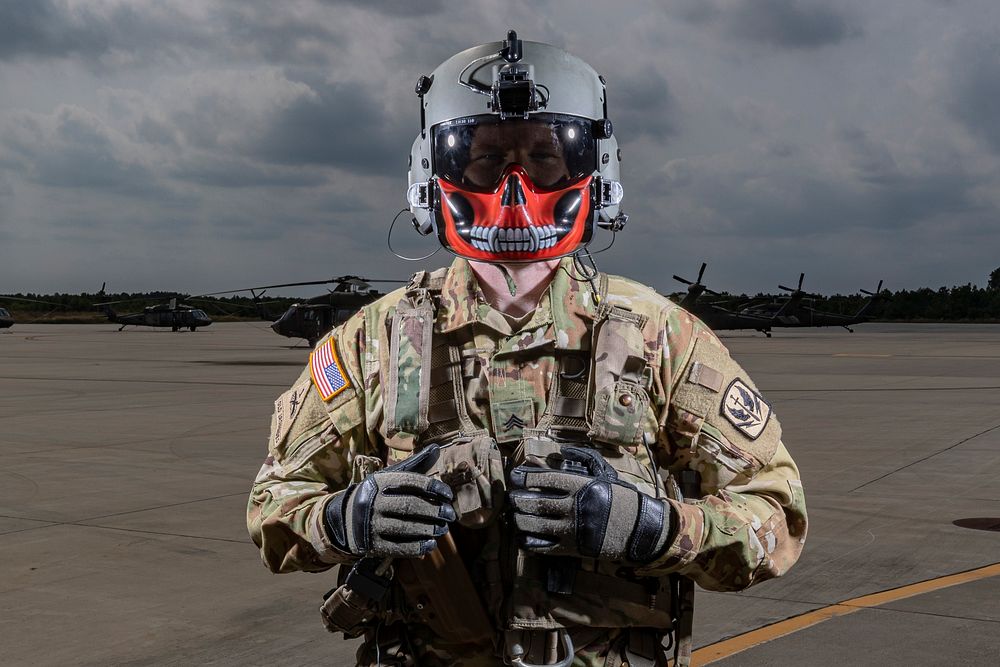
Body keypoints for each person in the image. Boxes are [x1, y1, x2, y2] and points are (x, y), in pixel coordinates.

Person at [248, 31, 807, 667]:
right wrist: (348, 518)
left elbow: (776, 516)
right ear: (433, 171)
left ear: (597, 167)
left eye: (546, 157)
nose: (514, 189)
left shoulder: (663, 337)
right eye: (483, 158)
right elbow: (273, 507)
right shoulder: (371, 341)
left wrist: (651, 528)